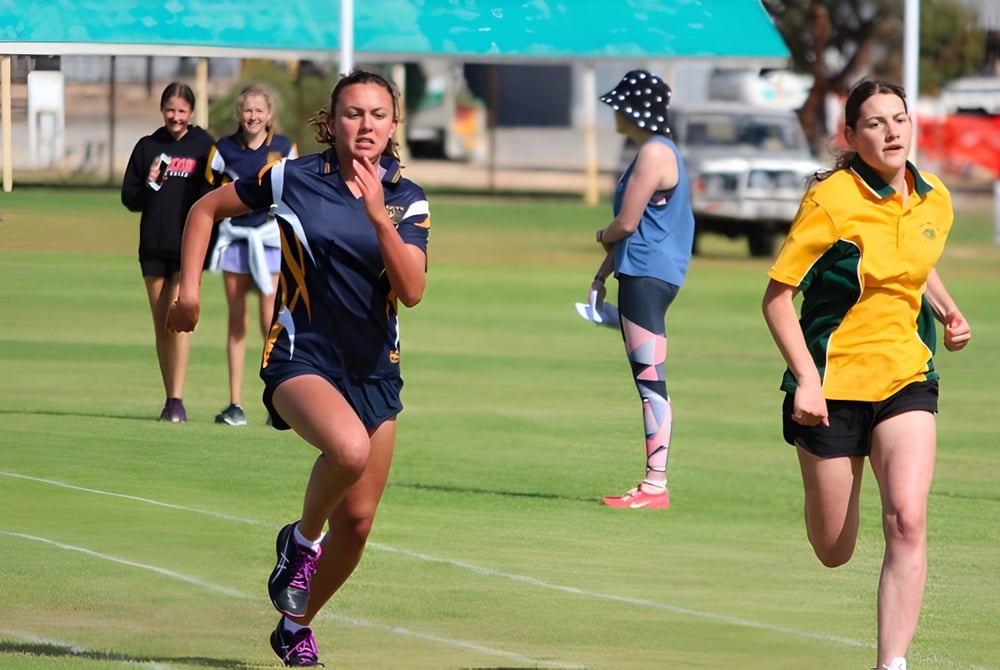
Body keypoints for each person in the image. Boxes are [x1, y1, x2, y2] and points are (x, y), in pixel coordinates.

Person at [166, 70, 429, 667]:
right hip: (299, 357)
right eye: (353, 113)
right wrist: (189, 292)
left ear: (394, 124)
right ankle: (301, 541)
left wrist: (378, 216)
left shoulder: (408, 198)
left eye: (378, 115)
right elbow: (205, 209)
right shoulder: (292, 176)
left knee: (357, 525)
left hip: (375, 374)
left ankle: (293, 627)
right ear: (331, 122)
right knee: (348, 450)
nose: (366, 125)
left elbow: (412, 290)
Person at [760, 79, 972, 670]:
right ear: (851, 136)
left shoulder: (934, 198)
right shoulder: (831, 201)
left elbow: (914, 261)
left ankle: (891, 663)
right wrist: (806, 378)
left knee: (907, 518)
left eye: (899, 119)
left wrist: (947, 311)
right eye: (875, 123)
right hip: (829, 388)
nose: (892, 131)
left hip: (906, 376)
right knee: (834, 548)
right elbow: (777, 299)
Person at [591, 70, 695, 510]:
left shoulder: (653, 152)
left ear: (633, 110)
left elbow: (626, 223)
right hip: (647, 271)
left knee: (651, 380)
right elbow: (639, 228)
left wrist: (601, 236)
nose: (613, 113)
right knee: (649, 376)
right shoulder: (659, 150)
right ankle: (654, 483)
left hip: (646, 275)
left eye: (618, 106)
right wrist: (602, 275)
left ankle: (655, 485)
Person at [205, 83, 299, 426]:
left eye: (259, 110)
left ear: (269, 114)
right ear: (238, 113)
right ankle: (235, 404)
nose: (253, 116)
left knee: (268, 322)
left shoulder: (285, 148)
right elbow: (209, 191)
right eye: (247, 110)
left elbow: (297, 192)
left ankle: (277, 403)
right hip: (236, 240)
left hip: (270, 241)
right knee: (236, 320)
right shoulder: (223, 149)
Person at [121, 81, 215, 423]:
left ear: (191, 112)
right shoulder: (148, 146)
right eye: (170, 110)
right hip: (153, 246)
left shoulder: (204, 146)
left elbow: (214, 197)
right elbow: (130, 199)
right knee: (162, 325)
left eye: (182, 111)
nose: (176, 117)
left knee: (178, 321)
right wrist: (150, 182)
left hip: (187, 249)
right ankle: (170, 400)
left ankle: (177, 399)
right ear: (162, 110)